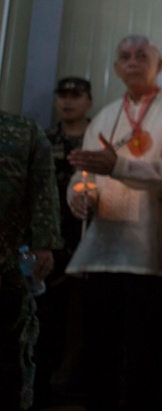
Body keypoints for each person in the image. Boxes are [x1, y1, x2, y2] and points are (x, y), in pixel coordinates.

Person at [65, 35, 162, 411]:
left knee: (147, 357)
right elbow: (82, 174)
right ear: (116, 68)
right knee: (100, 351)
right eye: (125, 57)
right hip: (103, 250)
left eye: (142, 56)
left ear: (159, 65)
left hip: (151, 254)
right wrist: (79, 195)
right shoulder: (104, 115)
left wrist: (117, 166)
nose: (132, 62)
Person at [34, 77, 92, 406]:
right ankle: (43, 389)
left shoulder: (97, 141)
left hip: (87, 240)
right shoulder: (43, 139)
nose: (68, 102)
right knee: (49, 320)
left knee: (89, 321)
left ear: (88, 101)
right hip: (52, 242)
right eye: (63, 95)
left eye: (76, 95)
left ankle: (81, 385)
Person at [0, 111, 60, 411]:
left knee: (10, 359)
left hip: (8, 269)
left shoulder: (22, 132)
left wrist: (44, 243)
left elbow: (42, 191)